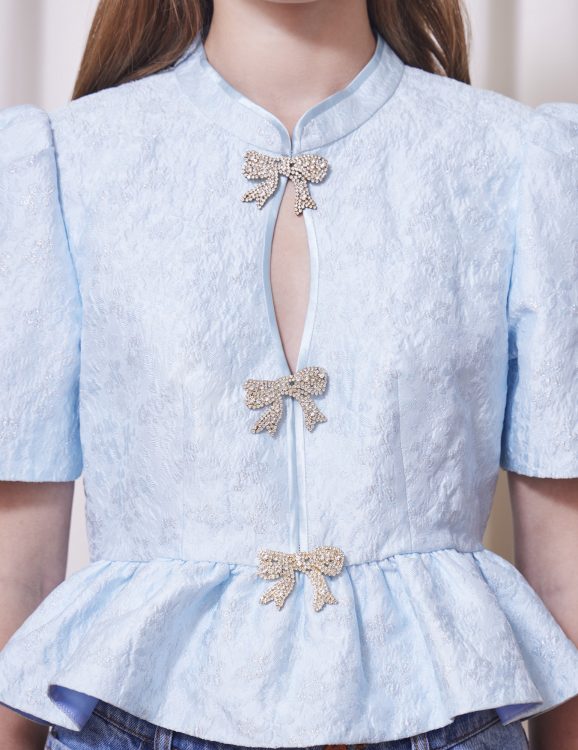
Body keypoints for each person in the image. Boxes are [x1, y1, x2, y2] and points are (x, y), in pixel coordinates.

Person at [0, 0, 577, 749]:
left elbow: (565, 565)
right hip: (132, 720)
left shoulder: (519, 159)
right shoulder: (61, 164)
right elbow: (17, 575)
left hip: (444, 720)